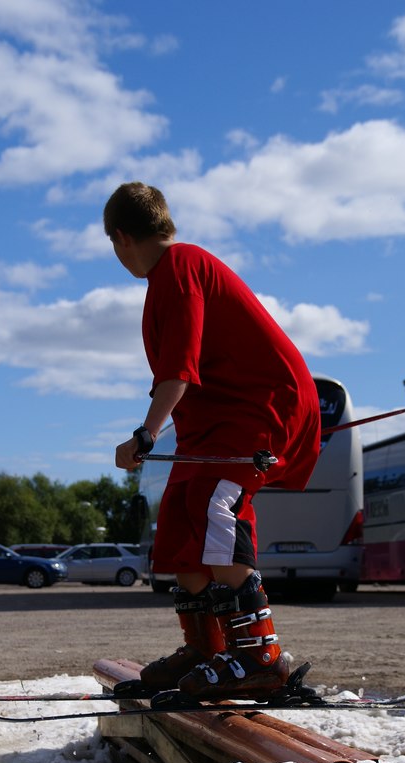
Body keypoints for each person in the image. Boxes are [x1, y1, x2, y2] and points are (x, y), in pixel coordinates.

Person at [104, 182, 320, 699]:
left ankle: (258, 660)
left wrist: (146, 433)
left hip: (259, 407)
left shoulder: (180, 268)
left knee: (212, 506)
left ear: (121, 237)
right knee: (179, 516)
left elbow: (179, 368)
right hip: (214, 422)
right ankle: (209, 652)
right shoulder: (165, 278)